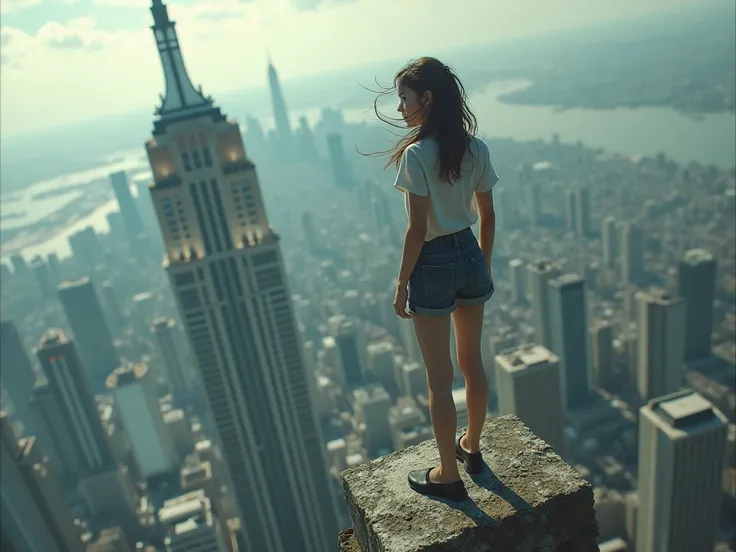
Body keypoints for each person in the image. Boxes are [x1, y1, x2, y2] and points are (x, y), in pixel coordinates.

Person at [386, 57, 498, 501]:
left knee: (439, 378)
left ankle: (448, 474)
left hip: (430, 263)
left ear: (426, 99)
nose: (400, 108)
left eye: (404, 98)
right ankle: (471, 445)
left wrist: (400, 284)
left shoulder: (416, 155)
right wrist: (482, 263)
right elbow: (488, 215)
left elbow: (416, 230)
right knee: (473, 363)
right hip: (470, 252)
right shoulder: (477, 148)